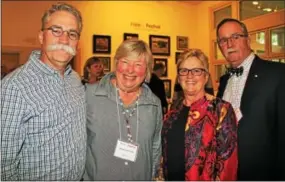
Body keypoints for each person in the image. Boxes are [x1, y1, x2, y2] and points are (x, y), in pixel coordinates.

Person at [1, 3, 86, 180]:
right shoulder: (14, 87)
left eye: (72, 33)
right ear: (41, 36)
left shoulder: (76, 80)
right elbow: (3, 166)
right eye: (56, 30)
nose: (64, 40)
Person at [216, 18, 285, 180]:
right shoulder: (224, 80)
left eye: (235, 37)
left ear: (248, 39)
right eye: (223, 40)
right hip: (228, 173)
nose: (229, 44)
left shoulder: (278, 74)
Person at [84, 39, 162, 180]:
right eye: (125, 62)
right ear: (116, 63)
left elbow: (155, 149)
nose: (130, 70)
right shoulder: (89, 95)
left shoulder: (154, 104)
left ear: (147, 69)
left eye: (138, 64)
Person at [162, 48, 238, 181]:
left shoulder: (221, 110)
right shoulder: (174, 110)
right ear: (179, 78)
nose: (189, 76)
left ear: (206, 76)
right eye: (184, 71)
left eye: (196, 71)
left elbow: (228, 165)